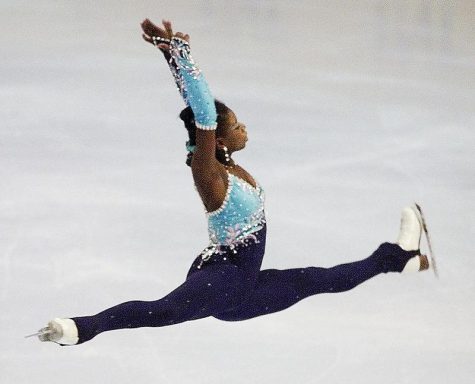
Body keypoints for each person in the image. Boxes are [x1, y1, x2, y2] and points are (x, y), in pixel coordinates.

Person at [35, 19, 430, 346]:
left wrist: (169, 54)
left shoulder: (225, 161)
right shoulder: (208, 175)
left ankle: (399, 257)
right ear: (219, 140)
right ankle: (83, 327)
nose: (245, 129)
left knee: (319, 279)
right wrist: (184, 54)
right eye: (237, 126)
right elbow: (204, 110)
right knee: (165, 311)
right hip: (221, 282)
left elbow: (198, 111)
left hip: (242, 289)